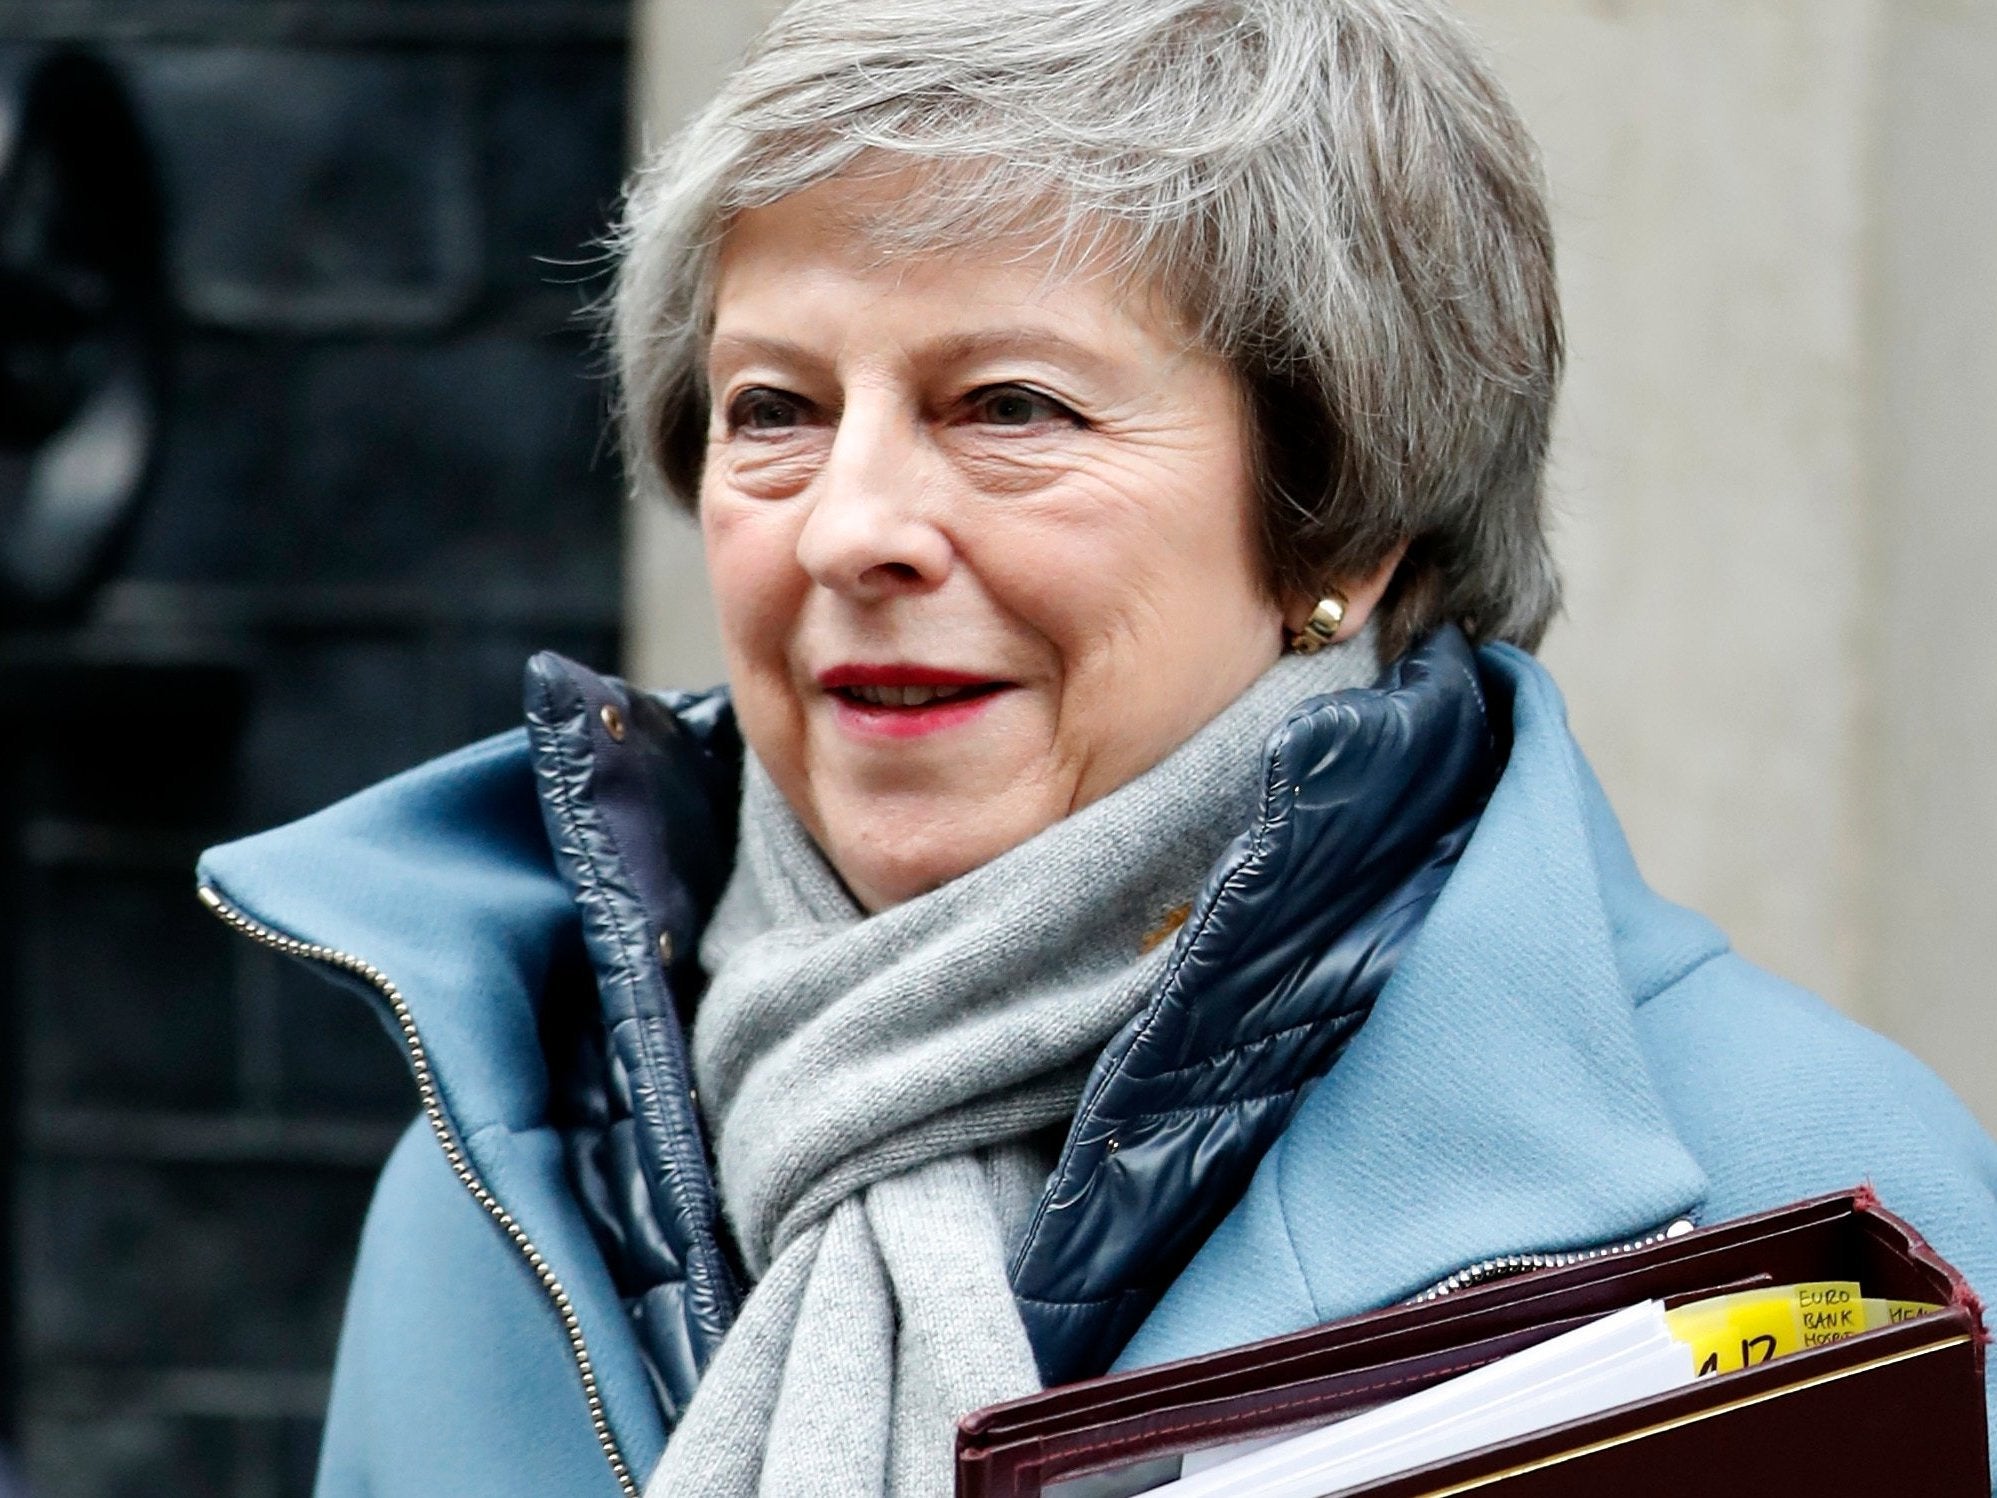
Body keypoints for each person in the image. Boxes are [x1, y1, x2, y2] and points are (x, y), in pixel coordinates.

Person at [193, 0, 1997, 1494]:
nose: (849, 528)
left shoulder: (1796, 1195)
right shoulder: (497, 1183)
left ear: (1338, 528)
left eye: (1008, 407)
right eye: (776, 411)